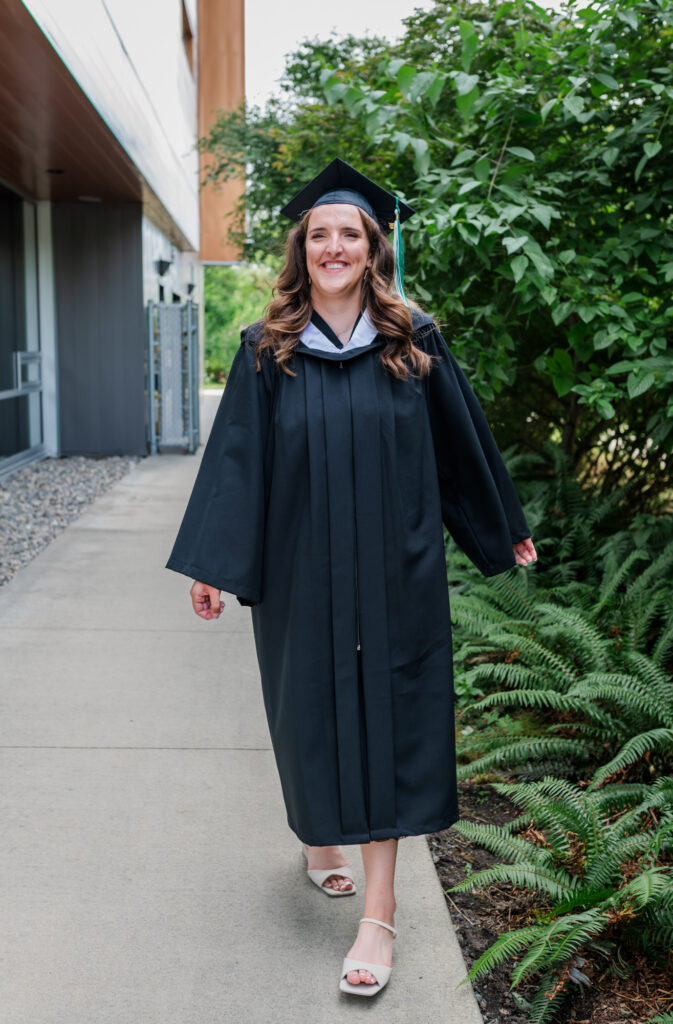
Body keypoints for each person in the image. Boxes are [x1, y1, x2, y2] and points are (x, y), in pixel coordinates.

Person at [166, 157, 537, 997]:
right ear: (303, 250)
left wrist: (498, 530)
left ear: (374, 249)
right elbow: (238, 466)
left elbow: (460, 450)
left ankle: (378, 914)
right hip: (301, 572)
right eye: (320, 234)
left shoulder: (413, 340)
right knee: (309, 717)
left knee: (396, 726)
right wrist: (213, 567)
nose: (335, 247)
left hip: (395, 571)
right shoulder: (267, 352)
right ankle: (318, 835)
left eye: (351, 235)